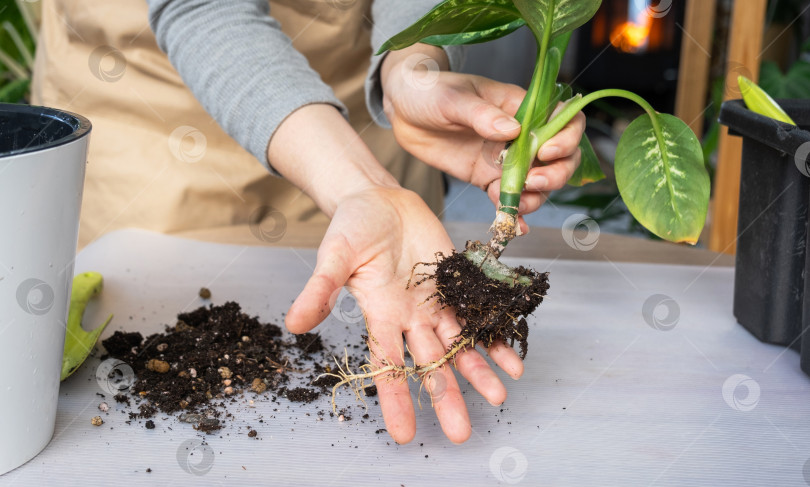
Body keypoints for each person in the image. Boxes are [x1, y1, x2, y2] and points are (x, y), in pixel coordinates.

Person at [32, 0, 585, 444]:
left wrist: (409, 67)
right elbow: (198, 7)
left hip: (356, 95)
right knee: (159, 299)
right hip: (153, 109)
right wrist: (359, 186)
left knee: (391, 292)